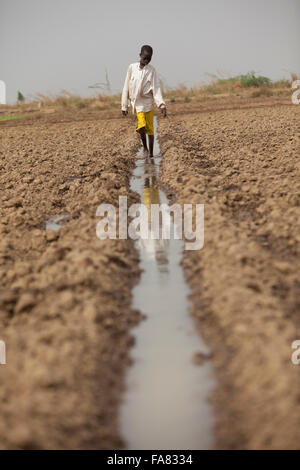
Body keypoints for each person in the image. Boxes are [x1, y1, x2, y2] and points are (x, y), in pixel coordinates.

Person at [121, 45, 167, 157]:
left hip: (148, 103)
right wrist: (124, 105)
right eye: (144, 58)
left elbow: (156, 88)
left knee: (150, 130)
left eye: (149, 58)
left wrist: (161, 105)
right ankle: (145, 148)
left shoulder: (152, 71)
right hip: (137, 103)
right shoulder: (132, 68)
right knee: (141, 125)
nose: (146, 60)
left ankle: (151, 153)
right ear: (140, 55)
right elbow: (126, 86)